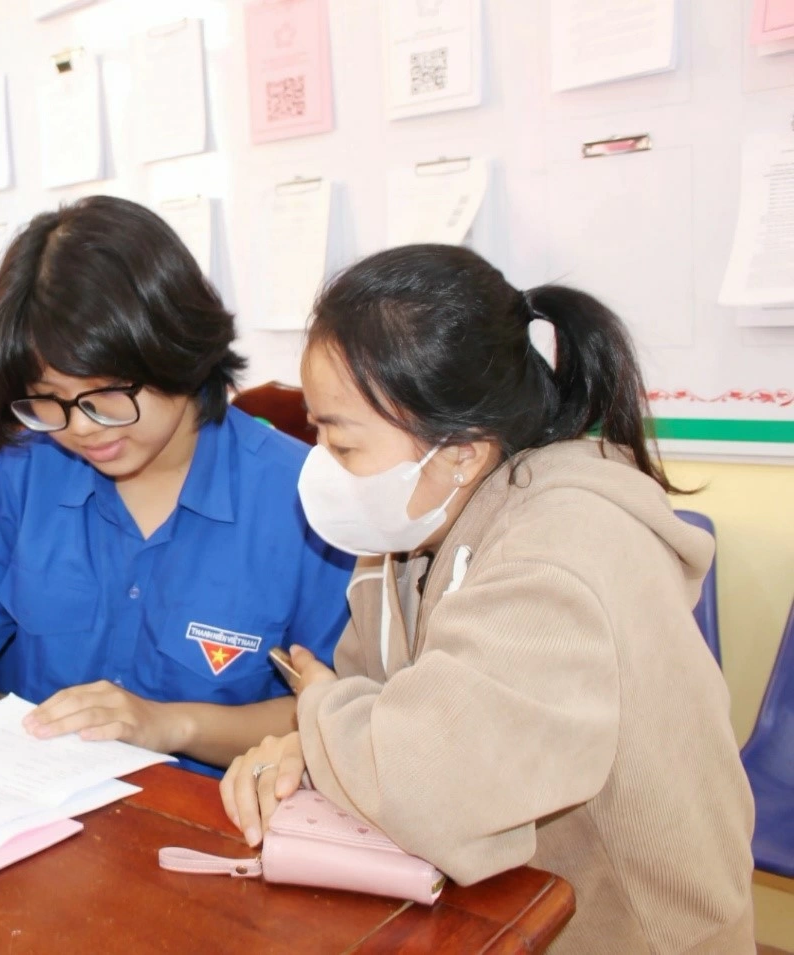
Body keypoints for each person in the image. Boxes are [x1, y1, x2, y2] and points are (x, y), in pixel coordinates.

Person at [221, 245, 754, 952]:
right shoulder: (412, 517)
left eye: (341, 443)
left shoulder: (564, 547)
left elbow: (427, 782)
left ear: (462, 450)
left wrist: (322, 715)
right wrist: (307, 744)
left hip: (622, 931)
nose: (321, 464)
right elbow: (369, 702)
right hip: (498, 908)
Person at [0, 196, 355, 782]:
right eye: (47, 400)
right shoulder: (31, 469)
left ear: (177, 348)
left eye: (104, 394)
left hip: (207, 827)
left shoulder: (303, 501)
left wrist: (168, 724)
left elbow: (329, 713)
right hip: (41, 817)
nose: (77, 427)